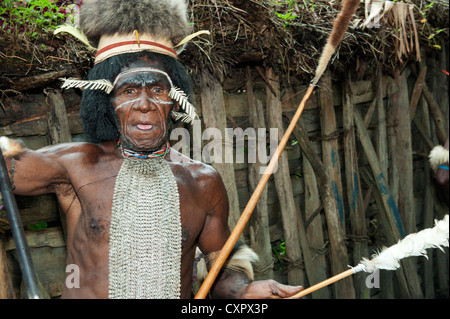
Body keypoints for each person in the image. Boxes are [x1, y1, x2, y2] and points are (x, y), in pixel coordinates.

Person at [0, 0, 303, 299]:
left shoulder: (203, 182)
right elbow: (9, 170)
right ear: (108, 102)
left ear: (175, 101)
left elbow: (221, 270)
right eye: (129, 91)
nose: (144, 105)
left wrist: (244, 292)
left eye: (157, 90)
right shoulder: (76, 165)